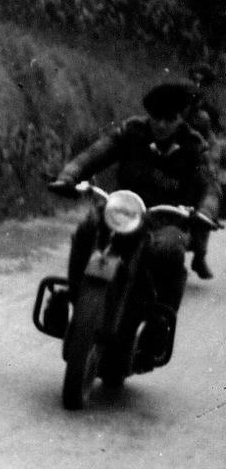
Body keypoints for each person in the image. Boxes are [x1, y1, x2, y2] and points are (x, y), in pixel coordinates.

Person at [46, 81, 220, 341]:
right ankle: (72, 294)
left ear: (180, 118)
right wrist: (69, 175)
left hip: (166, 220)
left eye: (169, 119)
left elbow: (210, 184)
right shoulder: (132, 131)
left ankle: (160, 321)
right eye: (156, 117)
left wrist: (206, 210)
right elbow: (96, 153)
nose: (161, 125)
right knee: (88, 228)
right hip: (123, 209)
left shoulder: (193, 146)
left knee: (170, 250)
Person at [187, 63, 225, 276]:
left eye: (201, 80)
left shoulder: (208, 110)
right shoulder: (174, 98)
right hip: (167, 147)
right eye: (194, 78)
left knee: (208, 196)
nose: (196, 83)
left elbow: (213, 137)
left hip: (196, 155)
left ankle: (199, 256)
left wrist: (210, 159)